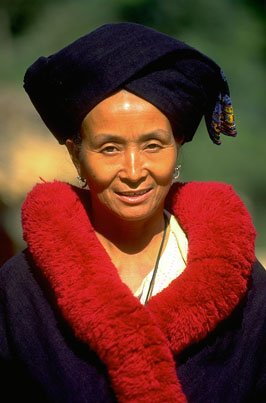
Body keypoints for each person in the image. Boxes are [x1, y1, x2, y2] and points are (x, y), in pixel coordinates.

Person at [0, 22, 265, 403]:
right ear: (76, 154)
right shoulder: (22, 290)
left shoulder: (243, 286)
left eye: (154, 145)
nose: (134, 171)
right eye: (109, 148)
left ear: (178, 146)